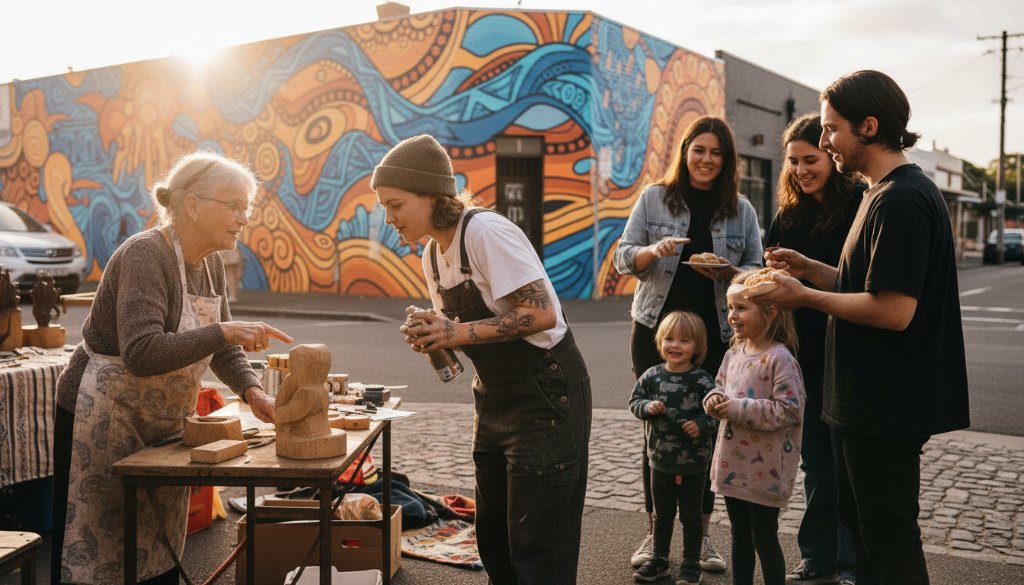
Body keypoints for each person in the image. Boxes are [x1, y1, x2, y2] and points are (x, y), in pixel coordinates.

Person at [763, 70, 970, 585]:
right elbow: (870, 285)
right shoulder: (881, 193)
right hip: (865, 402)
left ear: (870, 127)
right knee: (868, 533)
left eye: (832, 129)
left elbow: (894, 310)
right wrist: (813, 270)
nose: (825, 140)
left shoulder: (899, 200)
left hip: (885, 404)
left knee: (889, 543)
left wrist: (805, 296)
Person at [51, 151, 292, 585]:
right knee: (94, 545)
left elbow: (222, 347)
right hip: (102, 415)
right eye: (233, 205)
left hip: (159, 420)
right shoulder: (145, 254)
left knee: (156, 543)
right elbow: (143, 352)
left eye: (247, 207)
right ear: (192, 204)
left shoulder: (211, 263)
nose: (243, 217)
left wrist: (254, 393)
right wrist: (225, 331)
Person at [371, 134, 592, 585]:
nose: (388, 218)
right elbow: (470, 333)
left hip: (547, 396)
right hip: (493, 400)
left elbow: (540, 312)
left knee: (538, 549)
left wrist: (455, 330)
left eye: (395, 205)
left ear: (432, 195)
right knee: (495, 538)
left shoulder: (486, 232)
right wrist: (436, 336)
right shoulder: (432, 255)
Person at [613, 115, 763, 572]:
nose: (707, 159)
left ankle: (700, 536)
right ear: (685, 152)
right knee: (656, 427)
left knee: (710, 430)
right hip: (654, 330)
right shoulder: (654, 198)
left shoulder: (741, 209)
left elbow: (757, 270)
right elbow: (623, 258)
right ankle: (656, 533)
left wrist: (730, 273)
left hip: (717, 336)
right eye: (700, 150)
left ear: (727, 159)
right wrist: (651, 252)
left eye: (717, 152)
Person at [766, 113, 862, 585]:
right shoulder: (788, 213)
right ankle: (818, 555)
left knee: (847, 464)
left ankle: (849, 562)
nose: (801, 170)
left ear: (832, 158)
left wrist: (804, 273)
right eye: (793, 162)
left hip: (848, 349)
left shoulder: (861, 206)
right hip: (800, 354)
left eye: (811, 160)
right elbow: (767, 275)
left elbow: (864, 283)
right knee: (817, 463)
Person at [703, 272, 805, 585]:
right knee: (739, 538)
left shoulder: (779, 358)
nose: (732, 315)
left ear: (770, 311)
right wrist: (713, 399)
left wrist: (735, 408)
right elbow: (719, 386)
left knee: (765, 540)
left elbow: (790, 408)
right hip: (732, 464)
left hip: (766, 472)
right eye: (730, 308)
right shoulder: (733, 354)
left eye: (741, 308)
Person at [627, 311, 716, 585]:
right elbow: (634, 401)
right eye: (669, 338)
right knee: (662, 514)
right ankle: (659, 559)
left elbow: (717, 412)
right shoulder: (651, 376)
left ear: (698, 347)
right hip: (659, 461)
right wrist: (646, 407)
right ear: (659, 342)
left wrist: (702, 423)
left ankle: (691, 564)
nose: (675, 345)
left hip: (694, 463)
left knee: (691, 516)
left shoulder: (702, 380)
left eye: (684, 340)